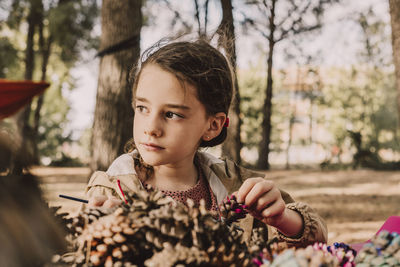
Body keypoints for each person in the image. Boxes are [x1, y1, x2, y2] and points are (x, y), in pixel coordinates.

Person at [85, 39, 327, 247]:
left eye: (172, 114)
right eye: (142, 108)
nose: (150, 128)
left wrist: (283, 219)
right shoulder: (109, 191)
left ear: (213, 126)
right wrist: (104, 235)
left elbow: (318, 241)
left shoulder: (239, 188)